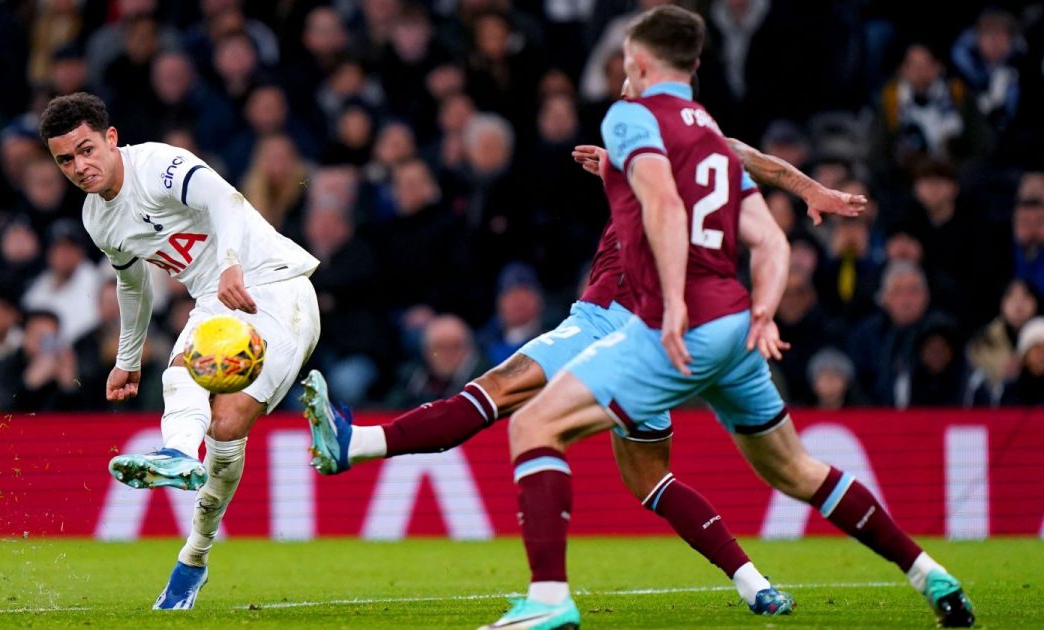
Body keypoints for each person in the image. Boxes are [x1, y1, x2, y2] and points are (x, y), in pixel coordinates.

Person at [300, 56, 866, 626]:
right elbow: (738, 169)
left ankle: (358, 447)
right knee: (652, 481)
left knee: (500, 393)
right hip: (653, 335)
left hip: (609, 320)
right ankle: (756, 585)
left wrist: (808, 188)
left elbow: (749, 161)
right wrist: (806, 188)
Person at [471, 8, 971, 628]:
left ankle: (547, 602)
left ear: (642, 64)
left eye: (628, 59)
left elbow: (659, 209)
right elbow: (771, 240)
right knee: (797, 470)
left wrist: (673, 304)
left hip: (671, 329)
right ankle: (930, 573)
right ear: (698, 66)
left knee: (534, 426)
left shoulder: (630, 120)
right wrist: (768, 298)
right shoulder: (708, 138)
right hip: (735, 326)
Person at [38, 92, 320, 610]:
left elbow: (225, 201)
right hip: (217, 301)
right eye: (65, 160)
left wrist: (231, 262)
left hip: (275, 286)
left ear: (111, 138)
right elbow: (133, 285)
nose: (79, 166)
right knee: (214, 416)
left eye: (85, 150)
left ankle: (193, 537)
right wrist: (127, 356)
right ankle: (187, 518)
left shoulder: (161, 165)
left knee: (214, 405)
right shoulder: (97, 220)